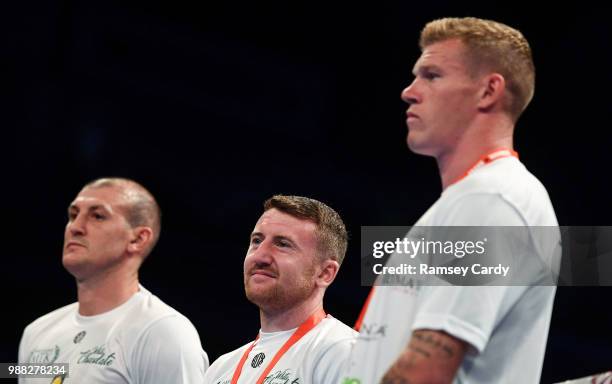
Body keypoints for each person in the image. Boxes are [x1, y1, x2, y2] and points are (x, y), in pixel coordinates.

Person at [342, 17, 561, 383]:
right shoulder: (469, 199)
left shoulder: (491, 198)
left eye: (431, 75)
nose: (409, 91)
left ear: (488, 91)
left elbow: (427, 371)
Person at [18, 177, 208, 384]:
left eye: (97, 216)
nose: (75, 227)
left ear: (137, 239)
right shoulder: (35, 333)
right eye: (73, 215)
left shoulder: (162, 331)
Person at [204, 195, 357, 384]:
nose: (259, 256)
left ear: (325, 273)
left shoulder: (344, 352)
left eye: (283, 244)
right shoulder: (220, 369)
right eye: (257, 241)